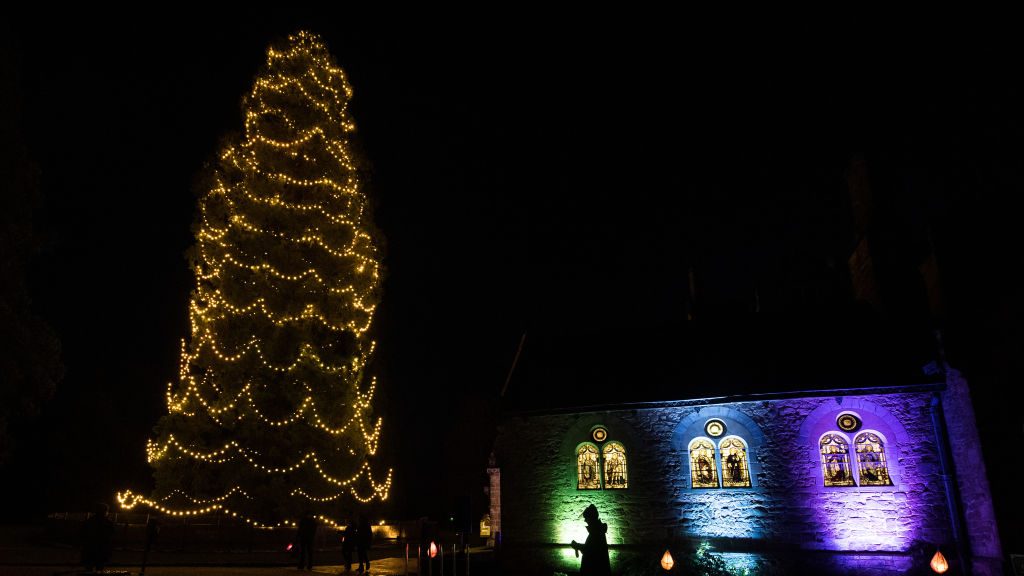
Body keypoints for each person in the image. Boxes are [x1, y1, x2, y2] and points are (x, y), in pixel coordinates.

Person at [569, 504, 611, 576]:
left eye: (586, 518)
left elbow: (591, 552)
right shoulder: (598, 530)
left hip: (594, 571)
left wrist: (577, 546)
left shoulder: (597, 532)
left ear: (591, 518)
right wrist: (578, 546)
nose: (585, 520)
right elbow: (591, 548)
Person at [80, 502, 115, 572]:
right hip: (102, 549)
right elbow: (111, 535)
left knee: (89, 568)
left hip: (90, 548)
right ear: (105, 512)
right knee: (99, 568)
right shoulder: (108, 523)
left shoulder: (89, 521)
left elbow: (83, 534)